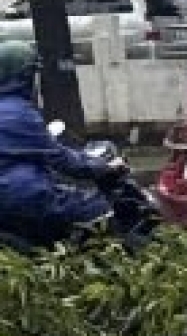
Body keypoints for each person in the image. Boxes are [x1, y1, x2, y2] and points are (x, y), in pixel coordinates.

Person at [0, 41, 126, 246]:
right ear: (25, 77)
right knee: (98, 209)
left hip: (10, 200)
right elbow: (63, 161)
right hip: (21, 197)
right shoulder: (18, 113)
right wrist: (104, 167)